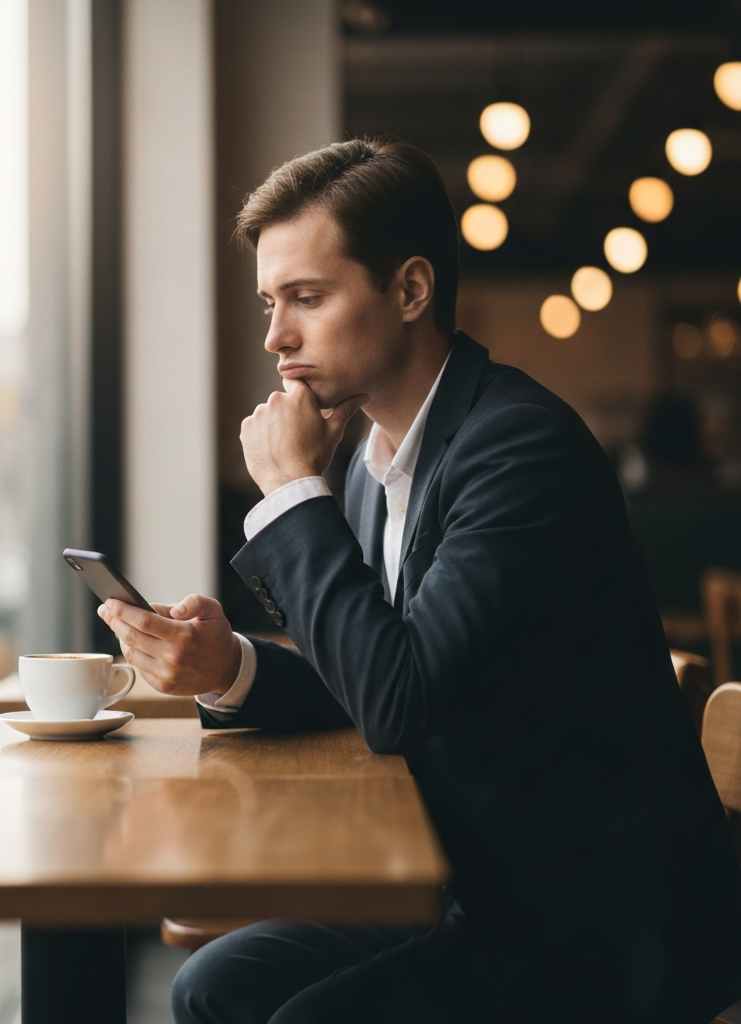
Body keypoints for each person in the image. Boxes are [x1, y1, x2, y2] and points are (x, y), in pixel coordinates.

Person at [98, 138, 741, 1024]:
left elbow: (400, 699)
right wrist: (230, 669)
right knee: (212, 984)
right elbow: (370, 672)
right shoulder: (370, 462)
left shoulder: (517, 449)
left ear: (410, 291)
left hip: (593, 914)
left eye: (307, 298)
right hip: (475, 877)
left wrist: (291, 492)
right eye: (269, 302)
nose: (275, 337)